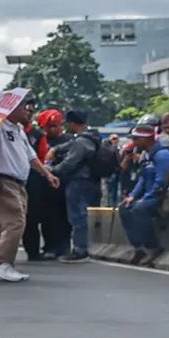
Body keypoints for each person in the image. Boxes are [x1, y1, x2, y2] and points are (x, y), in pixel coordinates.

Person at [0, 97, 58, 282]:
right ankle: (1, 263)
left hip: (18, 183)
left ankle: (2, 264)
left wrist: (47, 174)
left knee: (4, 223)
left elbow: (31, 156)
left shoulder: (19, 130)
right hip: (1, 180)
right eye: (23, 107)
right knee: (15, 222)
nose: (27, 111)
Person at [117, 125, 169, 265]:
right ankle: (139, 248)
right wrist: (133, 196)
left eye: (136, 139)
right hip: (150, 194)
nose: (133, 142)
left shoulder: (162, 155)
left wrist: (145, 199)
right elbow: (143, 178)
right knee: (125, 208)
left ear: (146, 139)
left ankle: (153, 247)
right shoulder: (146, 155)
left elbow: (162, 182)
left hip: (164, 196)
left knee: (139, 209)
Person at [47, 110, 101, 263]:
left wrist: (51, 171)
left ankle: (80, 249)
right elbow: (69, 145)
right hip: (89, 181)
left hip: (79, 181)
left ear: (72, 123)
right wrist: (56, 149)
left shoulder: (81, 142)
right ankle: (81, 247)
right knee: (80, 215)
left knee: (77, 216)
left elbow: (70, 162)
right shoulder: (91, 137)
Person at [23, 109, 69, 261]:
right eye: (47, 127)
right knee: (45, 219)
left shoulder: (68, 141)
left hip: (61, 186)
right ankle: (48, 246)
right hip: (41, 187)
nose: (50, 130)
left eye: (53, 126)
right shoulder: (39, 139)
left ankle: (62, 247)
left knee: (61, 219)